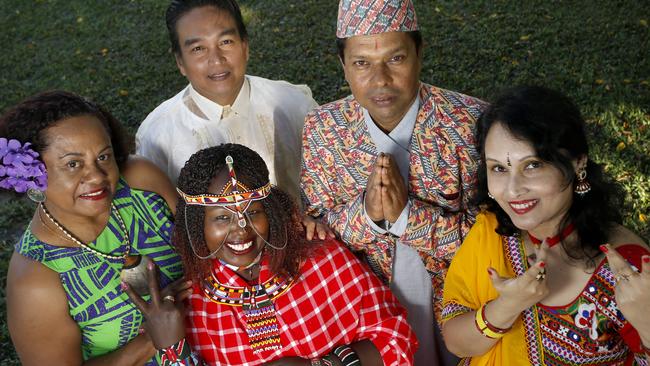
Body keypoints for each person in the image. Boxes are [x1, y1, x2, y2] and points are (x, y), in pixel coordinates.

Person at [300, 0, 486, 364]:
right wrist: (367, 214)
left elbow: (495, 242)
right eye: (362, 64)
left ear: (419, 53)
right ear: (343, 66)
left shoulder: (471, 123)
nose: (380, 80)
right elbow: (316, 235)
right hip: (367, 314)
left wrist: (406, 217)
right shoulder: (322, 129)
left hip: (463, 308)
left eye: (395, 59)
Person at [441, 86, 650, 365]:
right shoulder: (493, 233)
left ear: (577, 164)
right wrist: (507, 306)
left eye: (533, 165)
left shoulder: (626, 269)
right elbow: (455, 341)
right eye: (499, 169)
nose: (513, 190)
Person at [164, 143, 416, 365]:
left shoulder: (322, 258)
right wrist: (171, 345)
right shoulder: (193, 303)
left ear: (271, 211)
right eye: (222, 218)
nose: (241, 230)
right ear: (197, 224)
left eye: (253, 213)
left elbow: (395, 336)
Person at [3, 91, 192, 365]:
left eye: (103, 157)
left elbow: (206, 245)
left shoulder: (142, 183)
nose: (96, 176)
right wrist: (152, 339)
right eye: (72, 164)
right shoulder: (35, 278)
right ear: (32, 176)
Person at [136, 0, 318, 200]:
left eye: (225, 42)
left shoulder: (296, 105)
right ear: (180, 61)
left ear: (245, 46)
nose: (216, 59)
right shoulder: (157, 137)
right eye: (198, 48)